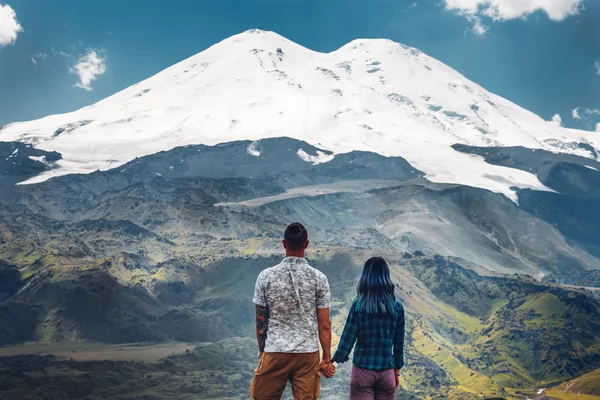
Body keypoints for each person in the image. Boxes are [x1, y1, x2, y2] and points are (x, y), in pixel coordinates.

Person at [251, 222, 335, 400]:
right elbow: (324, 324)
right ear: (306, 244)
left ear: (284, 244)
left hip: (275, 350)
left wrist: (262, 352)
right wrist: (326, 358)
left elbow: (260, 321)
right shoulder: (319, 278)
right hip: (307, 353)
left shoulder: (266, 276)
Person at [325, 257, 405, 400]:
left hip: (363, 372)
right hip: (387, 372)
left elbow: (348, 339)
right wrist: (396, 373)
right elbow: (399, 344)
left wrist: (334, 363)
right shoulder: (397, 307)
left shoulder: (359, 305)